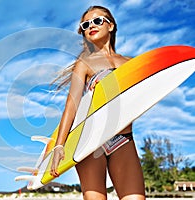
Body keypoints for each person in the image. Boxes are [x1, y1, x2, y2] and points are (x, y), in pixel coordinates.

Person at [50, 5, 145, 200]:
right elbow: (72, 105)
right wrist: (59, 146)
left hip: (123, 139)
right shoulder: (85, 64)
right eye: (85, 24)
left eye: (97, 21)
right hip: (90, 140)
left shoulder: (131, 63)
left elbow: (140, 101)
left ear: (111, 26)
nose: (91, 26)